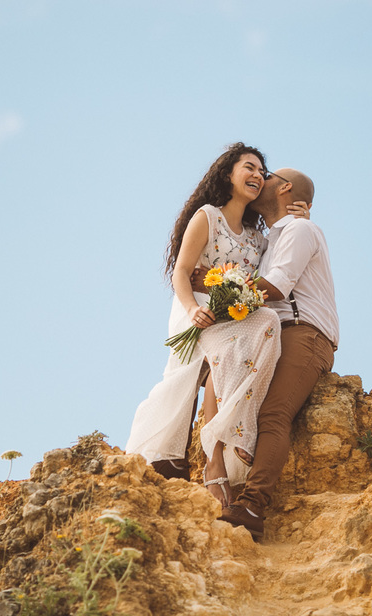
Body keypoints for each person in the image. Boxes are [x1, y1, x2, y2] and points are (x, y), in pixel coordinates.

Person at [126, 144, 306, 508]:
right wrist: (193, 308)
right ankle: (190, 458)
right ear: (228, 174)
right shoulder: (207, 216)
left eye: (262, 171)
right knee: (183, 380)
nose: (257, 175)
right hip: (197, 310)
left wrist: (298, 217)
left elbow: (282, 255)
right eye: (249, 168)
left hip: (234, 314)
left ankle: (218, 454)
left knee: (266, 323)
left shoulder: (258, 240)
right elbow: (181, 271)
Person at [217, 167, 338, 540]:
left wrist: (219, 297)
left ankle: (252, 505)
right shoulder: (272, 239)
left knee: (274, 413)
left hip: (303, 335)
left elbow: (278, 287)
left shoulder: (300, 230)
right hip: (273, 334)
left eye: (265, 175)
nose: (258, 180)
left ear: (284, 187)